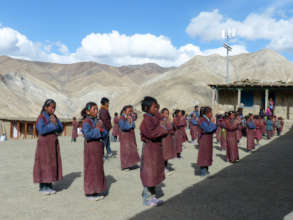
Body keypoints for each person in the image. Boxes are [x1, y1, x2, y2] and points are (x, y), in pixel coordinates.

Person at [140, 96, 168, 207]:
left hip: (155, 149)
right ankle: (147, 199)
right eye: (154, 107)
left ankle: (152, 196)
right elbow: (152, 133)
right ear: (146, 108)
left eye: (157, 107)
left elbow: (161, 120)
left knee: (154, 173)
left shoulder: (153, 117)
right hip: (150, 150)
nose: (156, 110)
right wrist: (163, 129)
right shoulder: (147, 120)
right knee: (149, 174)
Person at [33, 99, 64, 195]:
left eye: (54, 107)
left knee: (51, 164)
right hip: (44, 145)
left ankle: (49, 185)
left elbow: (61, 129)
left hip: (52, 144)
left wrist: (56, 124)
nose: (53, 109)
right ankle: (43, 187)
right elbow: (41, 130)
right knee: (44, 164)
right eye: (51, 107)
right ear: (46, 107)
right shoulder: (41, 118)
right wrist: (53, 124)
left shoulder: (54, 117)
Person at [81, 102, 108, 201]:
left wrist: (101, 130)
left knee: (97, 169)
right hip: (90, 148)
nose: (97, 111)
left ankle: (97, 190)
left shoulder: (98, 121)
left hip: (98, 148)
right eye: (94, 109)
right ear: (88, 111)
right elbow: (87, 135)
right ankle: (90, 193)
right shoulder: (86, 122)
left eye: (97, 109)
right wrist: (98, 129)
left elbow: (105, 133)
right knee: (91, 169)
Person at [119, 105, 140, 171]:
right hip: (125, 136)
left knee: (132, 148)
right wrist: (129, 124)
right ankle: (125, 166)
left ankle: (132, 164)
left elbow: (135, 117)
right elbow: (122, 126)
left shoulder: (130, 116)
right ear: (125, 111)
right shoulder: (122, 118)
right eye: (129, 111)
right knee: (126, 150)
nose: (130, 112)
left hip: (131, 136)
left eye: (131, 111)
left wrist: (134, 112)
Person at [197, 106, 217, 176]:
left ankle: (206, 170)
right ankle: (203, 171)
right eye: (211, 112)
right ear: (207, 113)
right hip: (204, 140)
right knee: (203, 155)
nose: (212, 114)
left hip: (208, 140)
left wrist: (213, 125)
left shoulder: (207, 119)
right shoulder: (201, 120)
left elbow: (214, 129)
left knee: (208, 155)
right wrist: (212, 123)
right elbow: (208, 129)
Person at [161, 108, 176, 175]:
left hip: (168, 140)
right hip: (163, 140)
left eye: (168, 113)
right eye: (166, 113)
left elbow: (172, 130)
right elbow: (167, 129)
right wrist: (169, 123)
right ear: (162, 114)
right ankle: (163, 169)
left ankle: (165, 167)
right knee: (163, 154)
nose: (167, 115)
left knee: (166, 155)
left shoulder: (167, 120)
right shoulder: (161, 121)